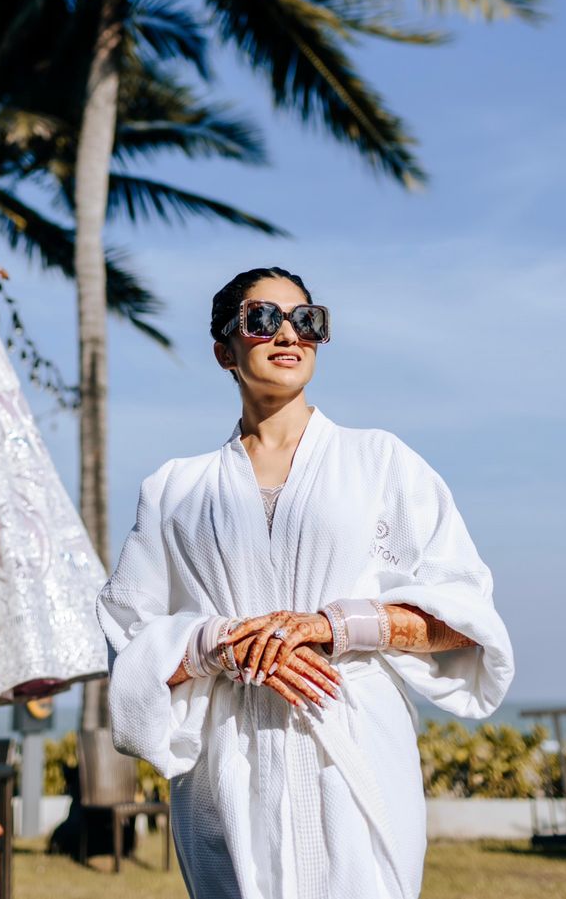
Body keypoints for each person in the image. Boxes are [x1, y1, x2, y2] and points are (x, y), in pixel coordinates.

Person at [95, 266, 513, 899]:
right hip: (226, 762)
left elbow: (464, 614)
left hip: (352, 739)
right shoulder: (175, 488)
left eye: (307, 320)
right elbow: (128, 637)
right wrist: (218, 644)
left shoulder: (380, 461)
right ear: (224, 350)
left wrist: (332, 626)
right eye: (262, 319)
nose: (288, 333)